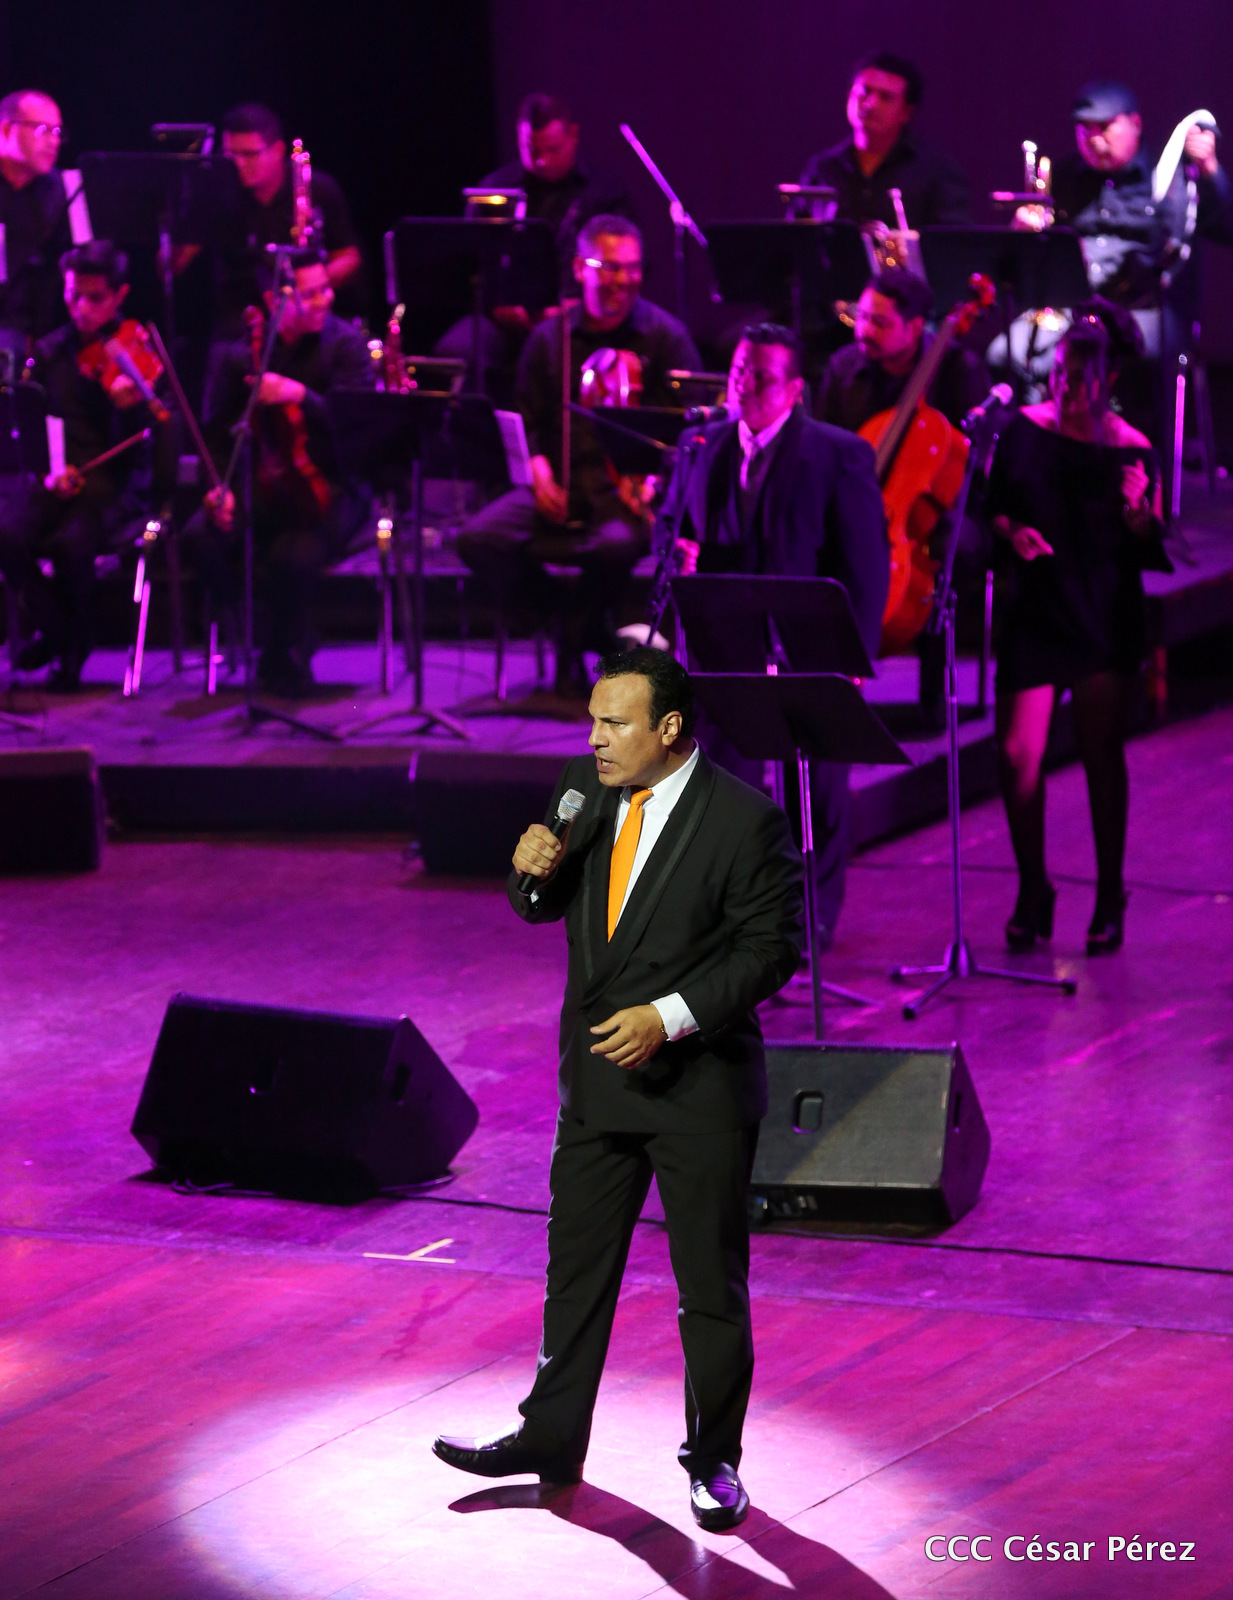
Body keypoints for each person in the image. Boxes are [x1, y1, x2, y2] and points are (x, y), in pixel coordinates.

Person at [432, 646, 805, 1529]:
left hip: (696, 1090)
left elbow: (770, 951)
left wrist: (667, 1017)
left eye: (613, 723)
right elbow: (540, 904)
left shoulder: (743, 821)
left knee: (708, 1289)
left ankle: (712, 1461)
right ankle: (550, 1436)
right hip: (597, 1083)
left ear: (667, 728)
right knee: (575, 1272)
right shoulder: (584, 788)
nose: (594, 740)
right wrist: (530, 871)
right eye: (592, 722)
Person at [654, 323, 888, 947]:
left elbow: (867, 562)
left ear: (794, 388)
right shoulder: (701, 443)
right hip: (725, 644)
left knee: (816, 789)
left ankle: (812, 916)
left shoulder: (837, 453)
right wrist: (676, 552)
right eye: (739, 372)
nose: (745, 386)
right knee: (721, 782)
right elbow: (669, 524)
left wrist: (856, 653)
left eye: (760, 377)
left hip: (807, 644)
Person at [985, 308, 1169, 956]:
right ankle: (1033, 888)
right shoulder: (1021, 429)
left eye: (1080, 376)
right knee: (1017, 755)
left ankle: (1109, 894)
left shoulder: (1129, 445)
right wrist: (1014, 533)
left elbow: (1148, 540)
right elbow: (993, 510)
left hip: (1100, 614)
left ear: (1106, 379)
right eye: (1060, 372)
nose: (1066, 386)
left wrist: (1139, 513)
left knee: (1099, 756)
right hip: (1037, 611)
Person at [456, 215, 699, 698]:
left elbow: (688, 429)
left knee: (614, 546)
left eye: (632, 268)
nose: (623, 280)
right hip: (558, 485)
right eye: (610, 267)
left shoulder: (664, 337)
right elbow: (525, 418)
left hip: (624, 494)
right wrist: (538, 471)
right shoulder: (551, 338)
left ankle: (571, 633)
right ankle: (567, 620)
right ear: (578, 268)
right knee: (476, 539)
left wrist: (653, 478)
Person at [179, 249, 374, 697]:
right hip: (262, 484)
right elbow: (215, 435)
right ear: (274, 300)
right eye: (310, 294)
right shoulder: (240, 354)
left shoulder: (345, 347)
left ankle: (280, 651)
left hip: (332, 488)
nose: (325, 300)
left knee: (292, 557)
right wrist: (219, 487)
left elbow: (360, 430)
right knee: (200, 538)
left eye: (325, 289)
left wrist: (301, 395)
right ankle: (279, 639)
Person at [816, 267, 990, 717]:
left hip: (940, 507)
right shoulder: (843, 368)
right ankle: (827, 690)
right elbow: (822, 447)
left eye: (879, 322)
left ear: (914, 328)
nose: (864, 330)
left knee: (951, 549)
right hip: (860, 500)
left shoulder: (957, 369)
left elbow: (978, 462)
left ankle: (934, 698)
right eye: (861, 317)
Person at [0, 241, 170, 688]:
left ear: (119, 295)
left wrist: (130, 409)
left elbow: (150, 441)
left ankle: (71, 653)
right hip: (56, 477)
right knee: (6, 535)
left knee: (70, 545)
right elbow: (29, 425)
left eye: (95, 298)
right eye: (74, 295)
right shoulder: (51, 351)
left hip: (111, 486)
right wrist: (48, 473)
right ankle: (57, 628)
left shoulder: (137, 352)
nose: (81, 308)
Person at [437, 92, 637, 396]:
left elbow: (628, 265)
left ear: (573, 136)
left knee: (568, 356)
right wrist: (497, 306)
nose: (541, 160)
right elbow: (467, 267)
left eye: (552, 149)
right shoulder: (494, 190)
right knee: (456, 351)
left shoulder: (604, 194)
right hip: (504, 322)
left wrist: (577, 306)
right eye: (531, 150)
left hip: (579, 319)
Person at [208, 104, 363, 337]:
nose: (238, 164)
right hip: (240, 325)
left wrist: (310, 286)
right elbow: (175, 260)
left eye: (249, 154)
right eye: (231, 155)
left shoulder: (318, 189)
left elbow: (349, 258)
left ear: (278, 150)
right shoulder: (218, 195)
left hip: (309, 318)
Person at [797, 52, 970, 231]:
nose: (870, 104)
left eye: (886, 97)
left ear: (906, 112)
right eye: (865, 91)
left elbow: (955, 240)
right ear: (849, 96)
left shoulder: (937, 171)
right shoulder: (823, 168)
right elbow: (797, 236)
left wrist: (913, 241)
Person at [0, 89, 73, 361]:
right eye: (42, 129)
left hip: (32, 335)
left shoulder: (66, 191)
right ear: (6, 129)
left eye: (57, 132)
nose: (53, 141)